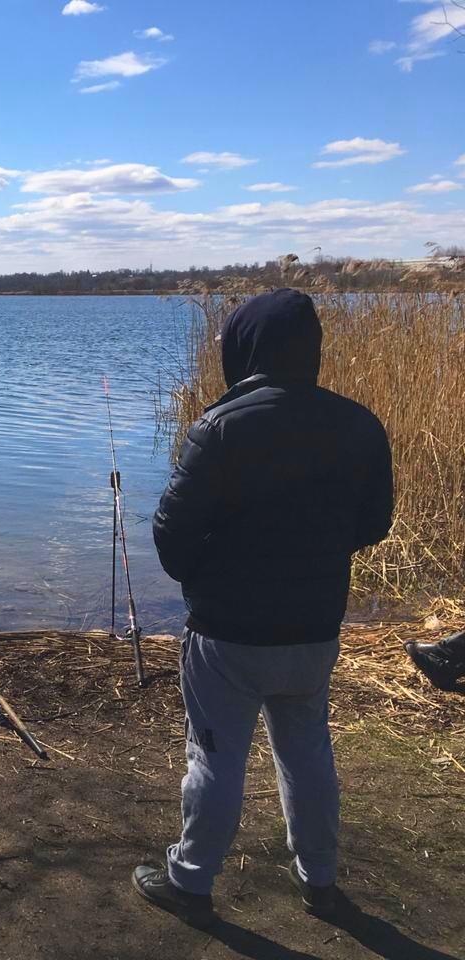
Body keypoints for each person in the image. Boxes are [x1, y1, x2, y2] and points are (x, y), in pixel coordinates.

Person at [136, 288, 393, 925]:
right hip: (313, 629)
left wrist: (206, 579)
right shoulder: (359, 423)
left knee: (216, 758)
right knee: (307, 752)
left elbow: (171, 533)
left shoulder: (220, 426)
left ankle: (191, 882)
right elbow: (375, 522)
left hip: (228, 634)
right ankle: (320, 881)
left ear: (243, 349)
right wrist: (316, 559)